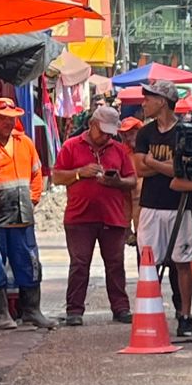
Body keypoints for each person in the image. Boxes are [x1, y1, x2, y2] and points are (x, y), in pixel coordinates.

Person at [0, 96, 56, 330]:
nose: (8, 123)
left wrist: (33, 199)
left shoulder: (25, 143)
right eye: (2, 119)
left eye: (11, 119)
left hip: (23, 218)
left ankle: (32, 311)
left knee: (29, 263)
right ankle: (1, 313)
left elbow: (37, 173)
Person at [51, 104, 136, 325]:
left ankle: (120, 307)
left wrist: (117, 182)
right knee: (79, 263)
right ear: (91, 124)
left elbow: (132, 181)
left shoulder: (118, 149)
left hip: (112, 216)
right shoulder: (71, 146)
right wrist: (80, 173)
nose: (106, 137)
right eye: (102, 131)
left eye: (110, 133)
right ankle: (74, 310)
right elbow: (57, 177)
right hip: (80, 217)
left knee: (115, 264)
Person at [131, 79, 192, 337]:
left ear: (162, 101)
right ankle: (151, 311)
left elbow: (182, 170)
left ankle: (185, 314)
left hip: (180, 205)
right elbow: (139, 168)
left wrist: (153, 162)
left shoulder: (184, 131)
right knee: (149, 261)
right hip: (151, 205)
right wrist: (166, 165)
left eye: (148, 98)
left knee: (183, 261)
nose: (144, 103)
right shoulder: (145, 133)